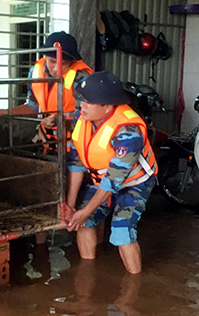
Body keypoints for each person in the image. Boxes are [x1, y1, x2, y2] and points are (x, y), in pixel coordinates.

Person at [65, 71, 157, 274]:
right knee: (82, 222)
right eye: (81, 101)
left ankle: (135, 286)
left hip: (135, 183)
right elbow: (77, 163)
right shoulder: (81, 118)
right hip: (101, 180)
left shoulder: (128, 131)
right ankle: (87, 275)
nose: (82, 106)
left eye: (89, 102)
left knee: (122, 230)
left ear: (108, 107)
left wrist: (84, 211)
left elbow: (113, 182)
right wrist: (71, 207)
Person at [0, 31, 94, 154]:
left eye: (63, 63)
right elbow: (33, 107)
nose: (56, 68)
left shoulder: (82, 78)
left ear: (72, 61)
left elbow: (93, 118)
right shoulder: (35, 72)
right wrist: (4, 113)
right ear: (44, 56)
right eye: (52, 61)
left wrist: (61, 122)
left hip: (76, 149)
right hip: (47, 144)